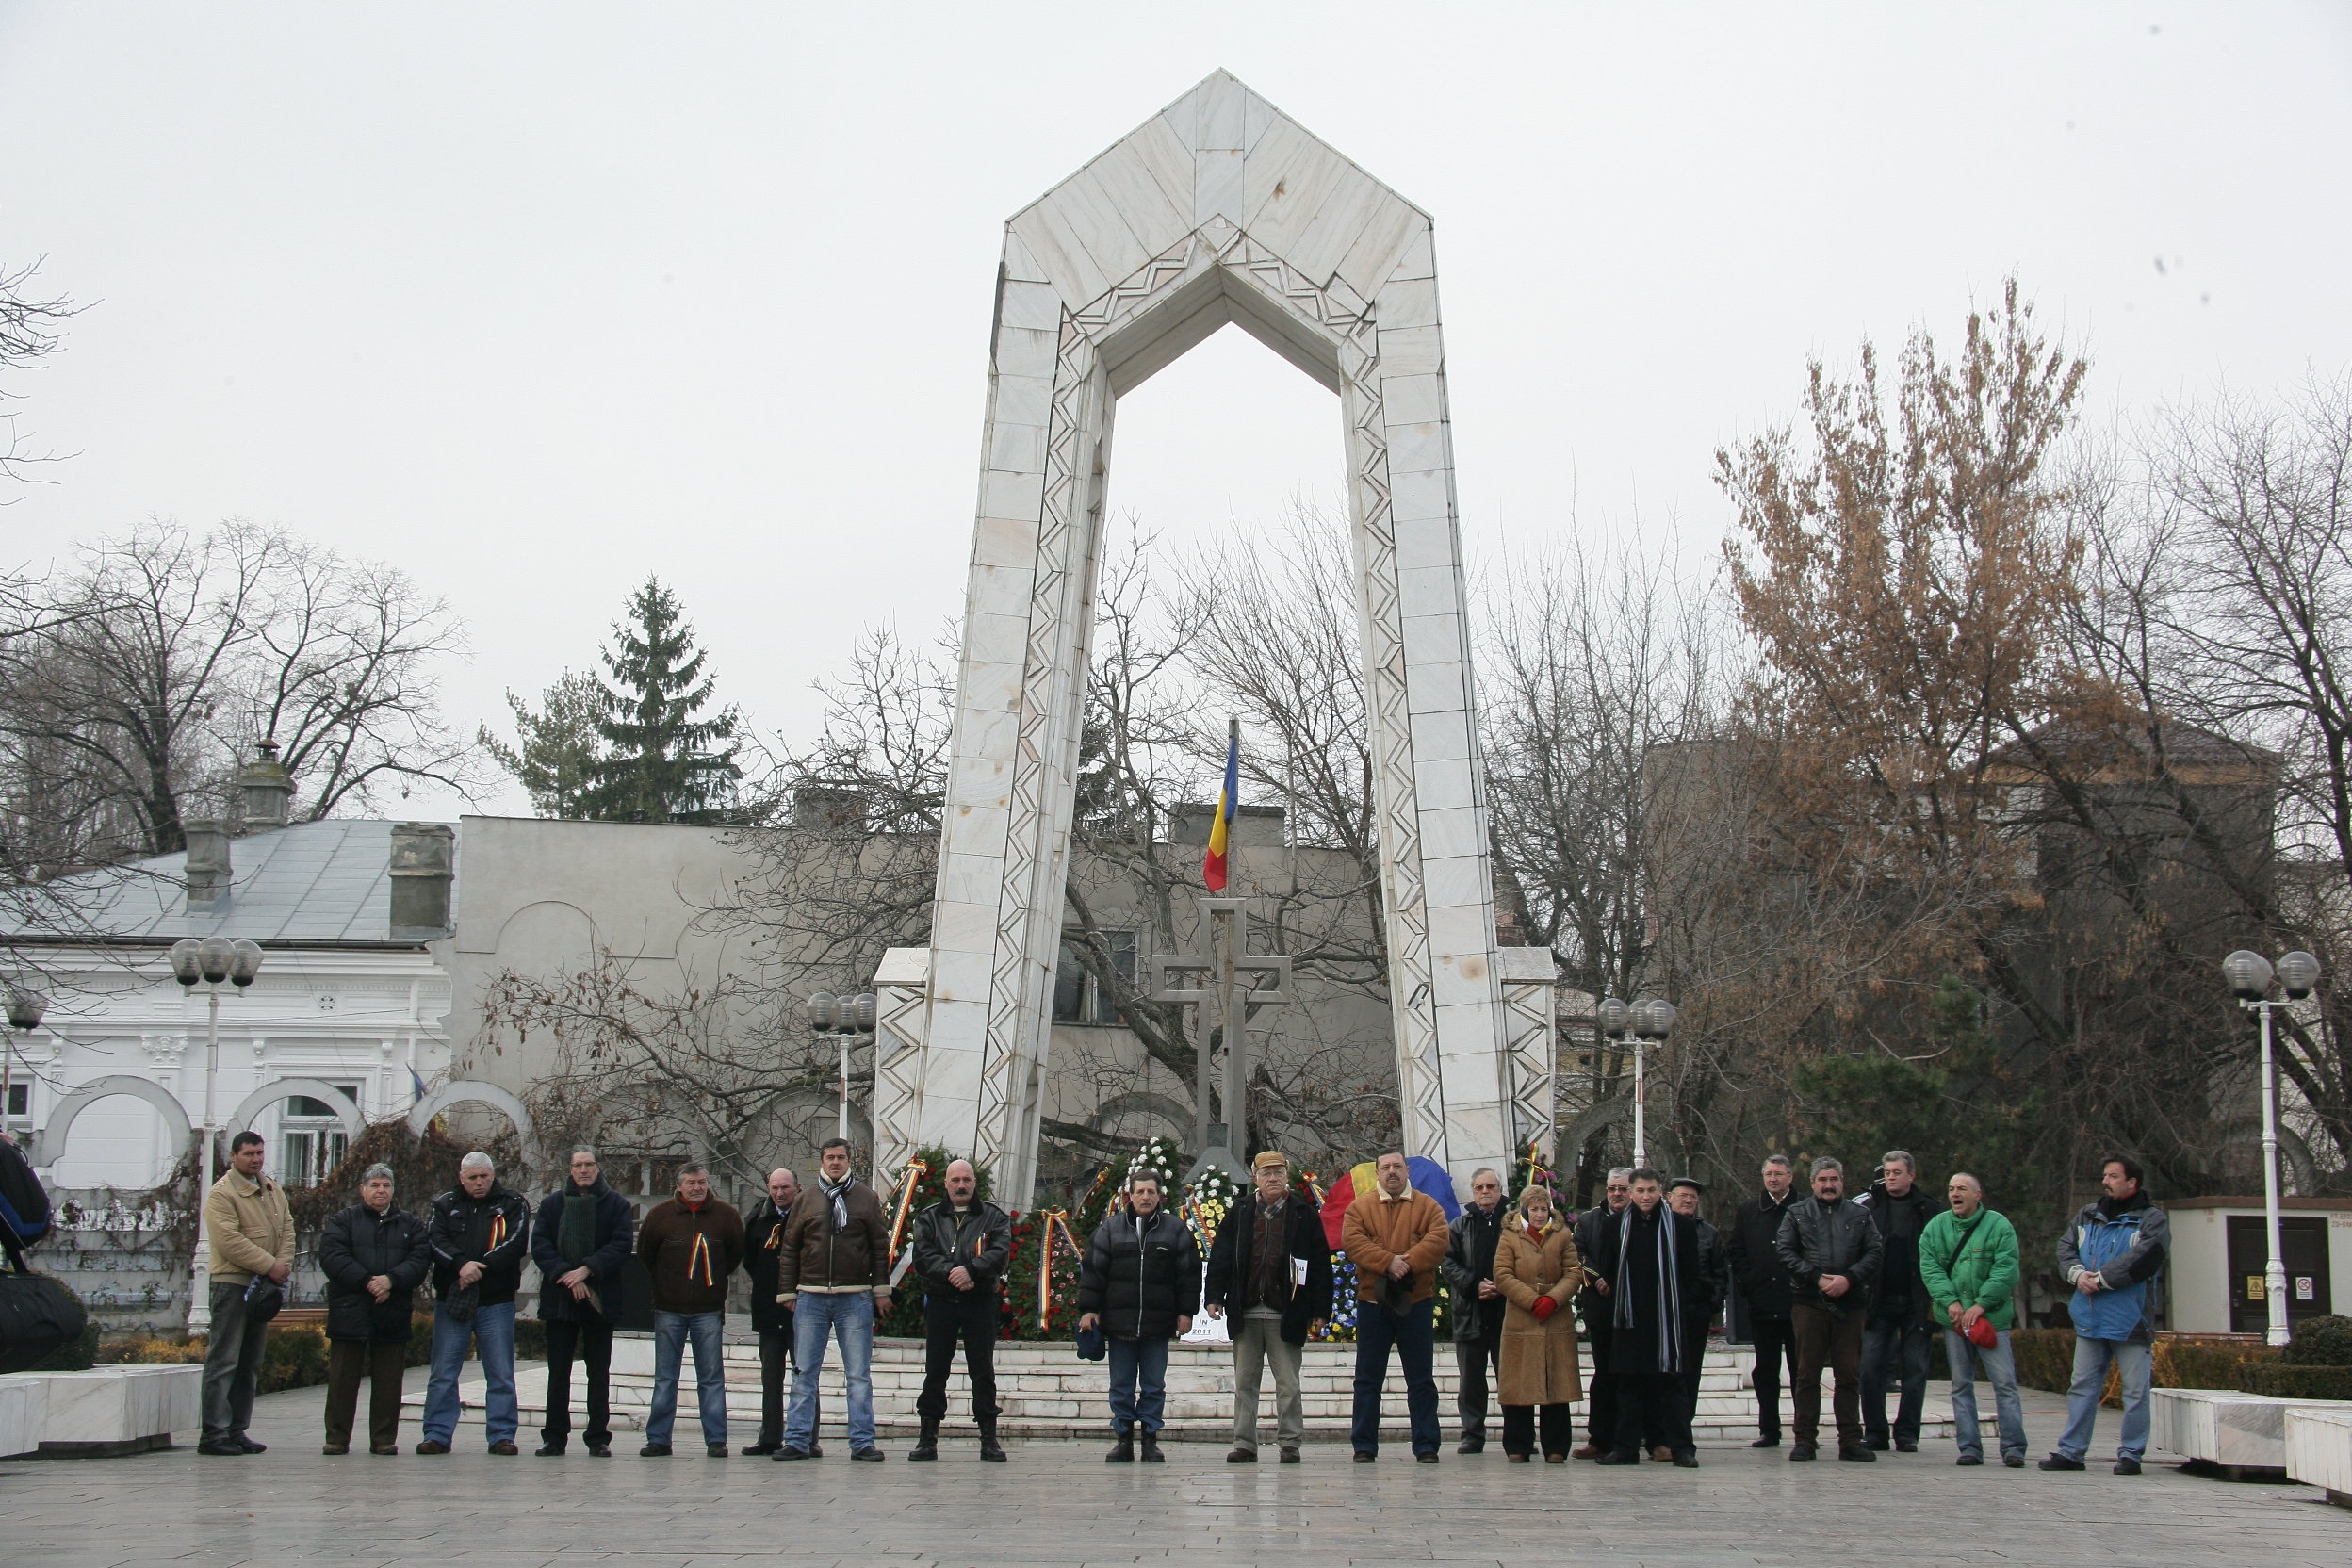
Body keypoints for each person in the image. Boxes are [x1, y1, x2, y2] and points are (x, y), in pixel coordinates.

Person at [2043, 1156, 2170, 1476]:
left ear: (2132, 1183)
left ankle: (2131, 1454)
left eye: (2113, 1176)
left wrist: (2100, 1278)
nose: (2106, 1181)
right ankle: (2071, 1452)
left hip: (2130, 1322)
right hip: (2089, 1318)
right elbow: (2065, 1248)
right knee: (2082, 1386)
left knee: (2136, 1391)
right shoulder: (2086, 1215)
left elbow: (2144, 1258)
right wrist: (2076, 1274)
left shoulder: (2152, 1220)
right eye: (2105, 1175)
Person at [1203, 1150, 1331, 1464]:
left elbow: (1319, 1264)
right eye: (1266, 1173)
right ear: (1255, 1177)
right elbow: (1221, 1255)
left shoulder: (1303, 1213)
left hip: (1286, 1312)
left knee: (1288, 1383)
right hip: (1246, 1311)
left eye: (1278, 1172)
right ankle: (1244, 1442)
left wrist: (1319, 1310)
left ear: (1287, 1174)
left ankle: (1289, 1442)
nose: (1273, 1178)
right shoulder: (1241, 1211)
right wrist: (1214, 1296)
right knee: (1245, 1383)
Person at [776, 1136, 893, 1462]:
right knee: (804, 1372)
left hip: (854, 1296)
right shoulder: (807, 1199)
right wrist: (787, 1291)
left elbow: (879, 1248)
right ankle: (798, 1440)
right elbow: (790, 1248)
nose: (836, 1162)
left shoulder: (866, 1199)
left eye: (841, 1157)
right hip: (811, 1296)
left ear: (849, 1161)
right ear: (822, 1162)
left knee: (858, 1374)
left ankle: (862, 1442)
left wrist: (880, 1289)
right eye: (830, 1157)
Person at [1585, 1168, 1707, 1467]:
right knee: (1628, 1386)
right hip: (1629, 1319)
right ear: (1630, 1193)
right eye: (1639, 1191)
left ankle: (1681, 1447)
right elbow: (1609, 1269)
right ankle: (1625, 1448)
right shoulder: (1615, 1227)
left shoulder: (1680, 1226)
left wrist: (1671, 1300)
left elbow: (1691, 1270)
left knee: (1672, 1385)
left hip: (1667, 1318)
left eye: (1651, 1190)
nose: (1645, 1196)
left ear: (1661, 1192)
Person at [1078, 1170, 1200, 1463]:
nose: (1145, 1197)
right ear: (1129, 1196)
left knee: (1154, 1385)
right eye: (1140, 1192)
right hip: (1120, 1325)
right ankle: (1123, 1439)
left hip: (1158, 1326)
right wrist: (1089, 1309)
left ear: (1160, 1197)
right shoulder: (1110, 1230)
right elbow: (1093, 1271)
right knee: (1121, 1385)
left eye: (1151, 1192)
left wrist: (1186, 1312)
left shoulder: (1175, 1230)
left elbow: (1189, 1275)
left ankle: (1150, 1438)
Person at [1340, 1150, 1450, 1464]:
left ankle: (1426, 1444)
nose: (1392, 1172)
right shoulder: (1360, 1208)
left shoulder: (1428, 1206)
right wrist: (1388, 1262)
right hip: (1372, 1303)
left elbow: (1439, 1240)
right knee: (1367, 1379)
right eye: (1385, 1167)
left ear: (1406, 1171)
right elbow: (1353, 1241)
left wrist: (1409, 1263)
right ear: (1377, 1173)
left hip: (1416, 1302)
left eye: (1397, 1167)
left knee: (1421, 1379)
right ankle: (1364, 1445)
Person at [419, 1152, 532, 1456]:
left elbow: (516, 1244)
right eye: (472, 1177)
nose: (479, 1182)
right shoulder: (444, 1205)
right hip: (453, 1298)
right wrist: (460, 1265)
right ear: (461, 1178)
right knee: (443, 1371)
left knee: (500, 1371)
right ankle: (437, 1434)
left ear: (492, 1175)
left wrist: (478, 1267)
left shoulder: (512, 1203)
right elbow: (434, 1240)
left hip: (495, 1300)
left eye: (484, 1176)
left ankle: (502, 1434)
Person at [1772, 1154, 1884, 1462]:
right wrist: (1817, 1278)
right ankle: (1805, 1440)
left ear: (1842, 1182)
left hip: (1851, 1305)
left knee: (1848, 1375)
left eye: (1834, 1179)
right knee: (1807, 1375)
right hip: (1809, 1304)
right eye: (1822, 1180)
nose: (1828, 1185)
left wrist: (1849, 1279)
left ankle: (1850, 1440)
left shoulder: (1860, 1214)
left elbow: (1874, 1252)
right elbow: (1784, 1252)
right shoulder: (1797, 1213)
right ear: (1812, 1184)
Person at [317, 1162, 430, 1456]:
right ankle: (337, 1438)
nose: (381, 1190)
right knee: (342, 1379)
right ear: (362, 1189)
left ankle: (383, 1438)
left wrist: (392, 1280)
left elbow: (420, 1260)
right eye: (375, 1185)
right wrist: (368, 1281)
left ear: (393, 1190)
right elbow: (332, 1257)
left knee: (389, 1381)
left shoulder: (410, 1225)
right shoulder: (343, 1220)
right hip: (349, 1310)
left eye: (386, 1185)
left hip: (392, 1311)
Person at [635, 1160, 745, 1458]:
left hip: (708, 1310)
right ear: (679, 1186)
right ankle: (658, 1438)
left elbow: (735, 1255)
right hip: (668, 1309)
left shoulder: (726, 1216)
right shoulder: (660, 1216)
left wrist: (712, 1284)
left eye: (701, 1183)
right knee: (665, 1377)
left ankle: (716, 1439)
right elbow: (647, 1255)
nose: (697, 1188)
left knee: (711, 1378)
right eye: (691, 1183)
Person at [531, 1144, 635, 1458]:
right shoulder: (552, 1204)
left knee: (598, 1371)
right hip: (560, 1298)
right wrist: (568, 1275)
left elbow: (621, 1245)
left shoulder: (616, 1204)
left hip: (600, 1299)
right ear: (570, 1169)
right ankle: (554, 1437)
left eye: (589, 1164)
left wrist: (587, 1270)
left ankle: (598, 1437)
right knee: (558, 1371)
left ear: (598, 1168)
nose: (584, 1170)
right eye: (578, 1165)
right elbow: (541, 1247)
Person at [197, 1130, 296, 1457]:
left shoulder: (271, 1189)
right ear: (234, 1157)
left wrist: (281, 1264)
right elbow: (229, 1241)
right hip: (233, 1285)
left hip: (263, 1287)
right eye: (248, 1154)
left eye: (259, 1153)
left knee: (249, 1362)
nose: (255, 1159)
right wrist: (270, 1265)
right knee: (224, 1360)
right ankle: (213, 1432)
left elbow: (287, 1229)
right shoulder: (222, 1194)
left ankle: (237, 1429)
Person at [908, 1157, 1012, 1462]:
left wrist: (971, 1271)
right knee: (936, 1370)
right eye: (955, 1180)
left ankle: (988, 1439)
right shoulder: (928, 1218)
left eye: (966, 1180)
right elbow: (923, 1256)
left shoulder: (994, 1217)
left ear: (975, 1182)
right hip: (941, 1302)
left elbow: (1000, 1253)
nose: (961, 1185)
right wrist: (954, 1274)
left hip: (979, 1301)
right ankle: (927, 1438)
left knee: (982, 1370)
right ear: (946, 1184)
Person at [1919, 1172, 2025, 1468]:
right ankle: (1969, 1447)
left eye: (1962, 1189)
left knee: (2004, 1383)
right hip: (1954, 1319)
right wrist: (1950, 1301)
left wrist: (1980, 1305)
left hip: (1991, 1319)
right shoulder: (1936, 1228)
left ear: (1978, 1195)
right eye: (1951, 1188)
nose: (1955, 1193)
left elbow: (2006, 1270)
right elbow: (1930, 1268)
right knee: (1960, 1384)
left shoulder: (1999, 1226)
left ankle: (2014, 1448)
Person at [1492, 1184, 1584, 1463]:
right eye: (1534, 1209)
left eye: (1544, 1209)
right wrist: (1531, 1300)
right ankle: (1518, 1445)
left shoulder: (1563, 1236)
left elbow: (1573, 1272)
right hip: (1521, 1318)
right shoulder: (1509, 1237)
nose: (1540, 1214)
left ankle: (1556, 1447)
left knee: (1557, 1384)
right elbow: (1502, 1274)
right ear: (1525, 1210)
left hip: (1556, 1318)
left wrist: (1553, 1298)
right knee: (1519, 1384)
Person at [1855, 1150, 1939, 1452]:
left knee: (1915, 1369)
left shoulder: (1929, 1209)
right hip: (1877, 1301)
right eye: (1887, 1173)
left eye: (1897, 1173)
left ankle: (1907, 1433)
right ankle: (1876, 1432)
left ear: (1911, 1175)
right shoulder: (1869, 1209)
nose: (1891, 1178)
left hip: (1917, 1301)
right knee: (1870, 1369)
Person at [1724, 1154, 1801, 1448]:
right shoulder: (1749, 1209)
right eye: (1769, 1174)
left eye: (1779, 1174)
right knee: (1766, 1370)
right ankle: (1769, 1429)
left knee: (1800, 1370)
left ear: (1790, 1177)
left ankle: (1804, 1430)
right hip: (1762, 1303)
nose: (1774, 1179)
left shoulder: (1804, 1207)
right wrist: (1748, 1284)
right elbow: (1737, 1249)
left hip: (1797, 1305)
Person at [741, 1167, 813, 1456]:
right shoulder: (758, 1219)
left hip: (804, 1310)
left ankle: (807, 1438)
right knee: (771, 1377)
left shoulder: (810, 1217)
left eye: (786, 1188)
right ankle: (770, 1436)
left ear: (797, 1187)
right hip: (769, 1310)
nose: (780, 1193)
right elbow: (750, 1260)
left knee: (804, 1376)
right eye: (775, 1188)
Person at [1439, 1168, 1509, 1455]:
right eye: (1479, 1187)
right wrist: (1473, 1284)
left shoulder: (1513, 1222)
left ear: (1500, 1189)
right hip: (1471, 1312)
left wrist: (1503, 1286)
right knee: (1471, 1380)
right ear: (1473, 1191)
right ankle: (1472, 1433)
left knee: (1511, 1377)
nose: (1485, 1192)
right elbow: (1447, 1262)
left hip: (1506, 1313)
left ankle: (1517, 1432)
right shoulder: (1459, 1226)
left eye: (1491, 1186)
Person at [1569, 1167, 1633, 1459]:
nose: (1617, 1194)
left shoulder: (1640, 1220)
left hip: (1632, 1307)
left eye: (1623, 1189)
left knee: (1632, 1376)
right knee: (1604, 1375)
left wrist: (1617, 1280)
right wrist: (1599, 1277)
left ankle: (1635, 1436)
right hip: (1601, 1307)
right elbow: (1578, 1253)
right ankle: (1600, 1438)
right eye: (1612, 1189)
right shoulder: (1588, 1221)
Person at [1665, 1176, 1728, 1457]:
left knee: (1691, 1373)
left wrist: (1712, 1303)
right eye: (1683, 1195)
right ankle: (1659, 1432)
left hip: (1696, 1312)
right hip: (1665, 1310)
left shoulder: (1709, 1233)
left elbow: (1719, 1272)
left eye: (1693, 1197)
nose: (1688, 1200)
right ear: (1669, 1197)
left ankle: (1683, 1430)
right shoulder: (1660, 1228)